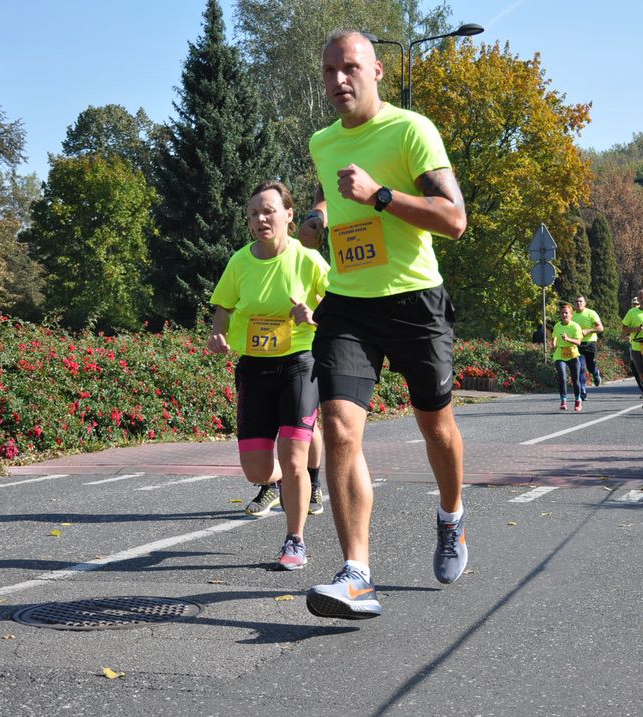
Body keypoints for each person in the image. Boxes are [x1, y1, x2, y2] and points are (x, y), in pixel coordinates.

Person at [297, 30, 469, 620]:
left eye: (349, 67)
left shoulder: (411, 130)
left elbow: (454, 220)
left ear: (375, 71)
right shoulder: (322, 142)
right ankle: (357, 574)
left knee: (435, 426)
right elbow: (334, 195)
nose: (338, 80)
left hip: (415, 300)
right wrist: (320, 215)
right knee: (340, 427)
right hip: (348, 302)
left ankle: (451, 515)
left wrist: (380, 196)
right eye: (329, 70)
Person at [208, 181, 329, 570]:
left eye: (268, 211)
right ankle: (279, 484)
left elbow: (340, 306)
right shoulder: (239, 261)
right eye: (253, 214)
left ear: (289, 215)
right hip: (254, 368)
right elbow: (223, 308)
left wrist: (314, 316)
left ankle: (295, 540)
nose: (260, 219)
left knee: (293, 459)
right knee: (256, 470)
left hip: (299, 363)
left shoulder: (308, 259)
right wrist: (218, 334)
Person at [551, 303, 584, 411]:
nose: (564, 315)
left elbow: (578, 342)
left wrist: (568, 339)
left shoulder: (575, 326)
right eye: (562, 313)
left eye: (566, 313)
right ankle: (563, 401)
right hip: (560, 354)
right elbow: (554, 337)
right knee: (562, 377)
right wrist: (553, 344)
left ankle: (578, 400)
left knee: (575, 380)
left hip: (573, 355)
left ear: (571, 314)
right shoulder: (557, 326)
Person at [572, 295, 604, 393]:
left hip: (590, 343)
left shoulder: (591, 313)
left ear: (585, 303)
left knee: (591, 367)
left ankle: (595, 372)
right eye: (576, 301)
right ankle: (583, 391)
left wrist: (588, 331)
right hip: (578, 344)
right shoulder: (571, 315)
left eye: (580, 301)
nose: (578, 303)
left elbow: (600, 328)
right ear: (574, 303)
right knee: (580, 368)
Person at [627, 296, 643, 398]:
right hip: (634, 346)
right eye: (633, 304)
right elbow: (625, 328)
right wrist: (627, 336)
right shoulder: (630, 314)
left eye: (637, 304)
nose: (635, 306)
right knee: (635, 368)